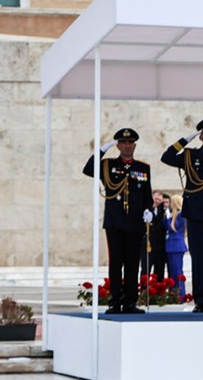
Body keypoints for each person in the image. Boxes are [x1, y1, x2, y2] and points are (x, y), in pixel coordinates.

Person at [160, 117, 203, 313]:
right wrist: (185, 140)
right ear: (201, 136)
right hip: (197, 214)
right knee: (199, 258)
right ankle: (200, 299)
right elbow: (167, 157)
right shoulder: (190, 156)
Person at [83, 128, 153, 314]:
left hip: (135, 223)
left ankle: (130, 302)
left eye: (130, 143)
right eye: (123, 143)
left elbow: (147, 195)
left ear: (134, 146)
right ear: (118, 145)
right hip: (115, 222)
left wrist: (149, 210)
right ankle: (115, 302)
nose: (127, 146)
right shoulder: (107, 165)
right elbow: (88, 169)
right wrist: (101, 151)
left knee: (132, 264)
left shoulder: (143, 168)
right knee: (116, 263)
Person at [164, 194, 187, 299]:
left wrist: (168, 217)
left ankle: (180, 295)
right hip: (171, 246)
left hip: (176, 246)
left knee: (177, 272)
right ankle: (173, 294)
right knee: (172, 272)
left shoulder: (181, 215)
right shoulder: (174, 215)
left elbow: (172, 227)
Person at [141, 191, 168, 281]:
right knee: (146, 270)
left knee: (159, 271)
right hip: (148, 245)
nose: (157, 201)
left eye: (159, 200)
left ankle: (158, 289)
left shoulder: (162, 211)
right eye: (156, 199)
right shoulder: (145, 209)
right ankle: (144, 289)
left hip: (160, 246)